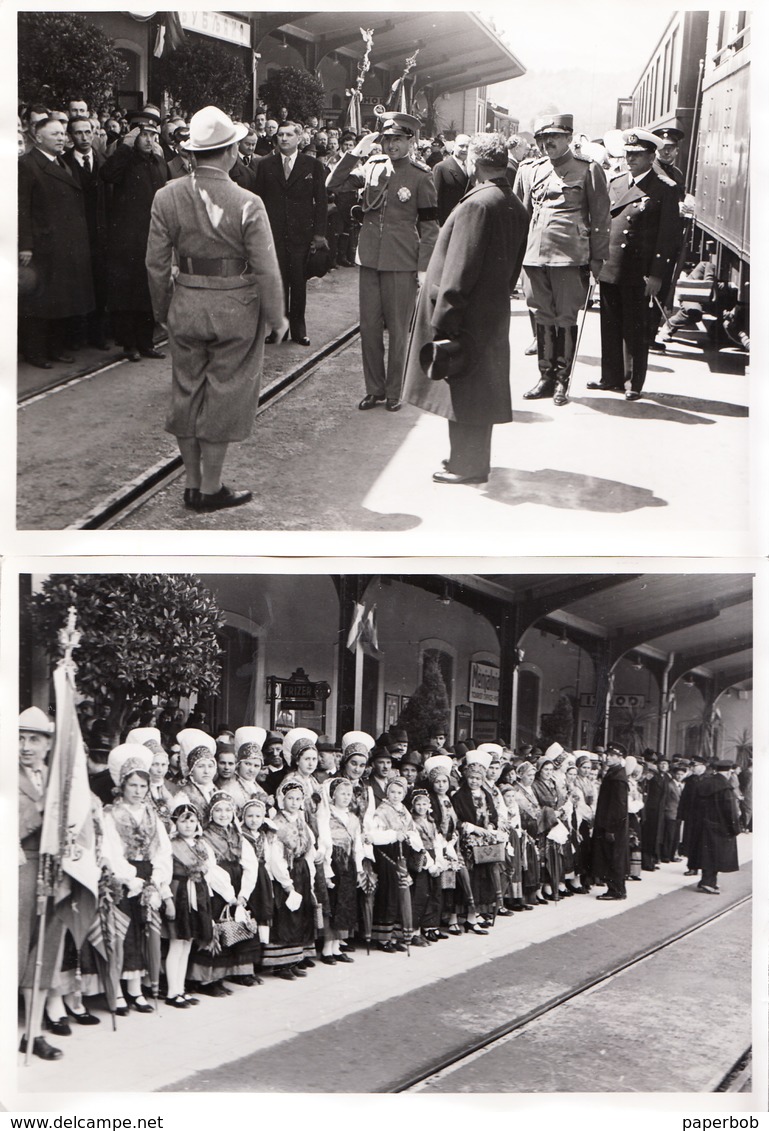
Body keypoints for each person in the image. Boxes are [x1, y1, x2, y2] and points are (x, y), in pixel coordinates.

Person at [145, 105, 287, 513]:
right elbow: (266, 266)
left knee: (186, 394)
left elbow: (155, 263)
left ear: (192, 153)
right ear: (230, 151)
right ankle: (211, 487)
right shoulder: (248, 202)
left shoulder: (166, 196)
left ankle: (191, 484)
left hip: (186, 303)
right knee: (225, 395)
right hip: (236, 309)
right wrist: (277, 316)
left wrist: (164, 310)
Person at [402, 132, 529, 484]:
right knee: (479, 391)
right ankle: (467, 460)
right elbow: (512, 268)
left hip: (465, 316)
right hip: (490, 313)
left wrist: (444, 319)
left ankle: (466, 466)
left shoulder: (477, 204)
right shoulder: (512, 203)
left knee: (464, 392)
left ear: (474, 162)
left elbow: (459, 268)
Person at [326, 112, 439, 412]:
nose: (391, 146)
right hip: (369, 259)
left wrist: (423, 268)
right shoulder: (372, 167)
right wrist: (356, 151)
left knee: (399, 330)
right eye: (387, 140)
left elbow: (429, 227)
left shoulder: (420, 175)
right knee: (369, 328)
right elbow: (333, 182)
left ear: (410, 141)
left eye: (398, 140)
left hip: (401, 260)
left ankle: (394, 391)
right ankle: (373, 389)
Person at [514, 113, 609, 406]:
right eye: (542, 138)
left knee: (565, 317)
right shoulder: (531, 169)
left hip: (570, 257)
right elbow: (522, 214)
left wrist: (597, 259)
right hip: (535, 257)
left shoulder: (588, 169)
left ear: (569, 137)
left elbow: (600, 217)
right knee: (542, 316)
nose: (547, 143)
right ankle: (545, 377)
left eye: (554, 136)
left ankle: (561, 381)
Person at [589, 127, 680, 400]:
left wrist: (657, 275)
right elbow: (603, 224)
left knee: (635, 329)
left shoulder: (664, 189)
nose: (630, 159)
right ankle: (610, 377)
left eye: (637, 155)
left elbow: (668, 238)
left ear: (652, 156)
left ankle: (632, 383)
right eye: (628, 153)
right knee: (610, 324)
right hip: (611, 265)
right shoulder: (615, 182)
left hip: (639, 271)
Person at [18, 115, 95, 368]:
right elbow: (23, 209)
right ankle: (35, 352)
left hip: (65, 245)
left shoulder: (61, 162)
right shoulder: (28, 165)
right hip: (43, 246)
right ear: (38, 137)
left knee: (59, 300)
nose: (62, 138)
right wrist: (26, 245)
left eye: (63, 134)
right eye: (56, 134)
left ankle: (54, 348)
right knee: (40, 303)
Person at [102, 744, 174, 1015]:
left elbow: (162, 850)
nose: (137, 791)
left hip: (147, 874)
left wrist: (156, 879)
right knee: (123, 933)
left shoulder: (151, 814)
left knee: (145, 932)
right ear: (122, 785)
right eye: (132, 785)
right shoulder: (111, 814)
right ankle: (118, 992)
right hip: (123, 879)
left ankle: (136, 989)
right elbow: (109, 850)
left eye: (142, 786)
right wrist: (128, 877)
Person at [18, 707, 68, 1060]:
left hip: (52, 874)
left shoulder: (57, 779)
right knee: (14, 953)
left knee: (44, 954)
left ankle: (33, 1033)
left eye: (34, 738)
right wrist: (40, 815)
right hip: (17, 871)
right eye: (19, 738)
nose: (25, 746)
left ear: (49, 743)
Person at [252, 120, 328, 347]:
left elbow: (321, 202)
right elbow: (259, 200)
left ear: (299, 137)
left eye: (288, 135)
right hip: (274, 233)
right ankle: (278, 329)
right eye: (280, 135)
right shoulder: (266, 165)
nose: (283, 139)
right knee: (278, 282)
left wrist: (318, 234)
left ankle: (299, 329)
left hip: (301, 235)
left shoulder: (312, 165)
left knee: (298, 282)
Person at [101, 119, 168, 361]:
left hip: (154, 237)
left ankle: (146, 342)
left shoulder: (159, 163)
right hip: (127, 240)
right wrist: (125, 146)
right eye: (144, 135)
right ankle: (129, 344)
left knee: (148, 292)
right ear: (134, 137)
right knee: (127, 294)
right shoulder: (125, 160)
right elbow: (107, 174)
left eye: (153, 135)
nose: (150, 140)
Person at [63, 116, 108, 350]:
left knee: (99, 284)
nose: (84, 137)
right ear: (70, 137)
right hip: (76, 234)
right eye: (78, 133)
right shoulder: (63, 164)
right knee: (76, 285)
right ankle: (75, 337)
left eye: (87, 132)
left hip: (99, 234)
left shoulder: (104, 162)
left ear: (93, 134)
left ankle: (97, 335)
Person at [689, 761, 741, 894]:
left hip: (702, 825)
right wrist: (735, 828)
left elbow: (693, 805)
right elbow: (730, 811)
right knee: (716, 855)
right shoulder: (725, 788)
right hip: (720, 827)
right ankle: (708, 882)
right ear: (729, 772)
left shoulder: (704, 783)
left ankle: (706, 881)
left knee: (706, 854)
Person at [591, 741, 629, 900]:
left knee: (613, 857)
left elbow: (618, 808)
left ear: (621, 758)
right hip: (610, 825)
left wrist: (611, 829)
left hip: (613, 827)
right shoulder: (614, 774)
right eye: (608, 754)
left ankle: (616, 890)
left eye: (613, 755)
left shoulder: (617, 778)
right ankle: (616, 888)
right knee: (611, 856)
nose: (608, 758)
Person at [433, 133, 471, 225]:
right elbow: (434, 200)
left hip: (466, 222)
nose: (464, 149)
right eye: (461, 146)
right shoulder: (441, 167)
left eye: (467, 146)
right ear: (454, 146)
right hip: (447, 223)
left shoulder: (472, 168)